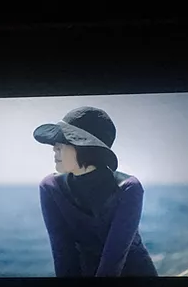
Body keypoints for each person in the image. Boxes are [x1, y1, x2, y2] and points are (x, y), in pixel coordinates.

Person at [33, 106, 158, 277]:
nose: (54, 148)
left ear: (85, 147)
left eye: (62, 141)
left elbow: (114, 259)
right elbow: (63, 253)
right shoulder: (50, 187)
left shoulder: (128, 188)